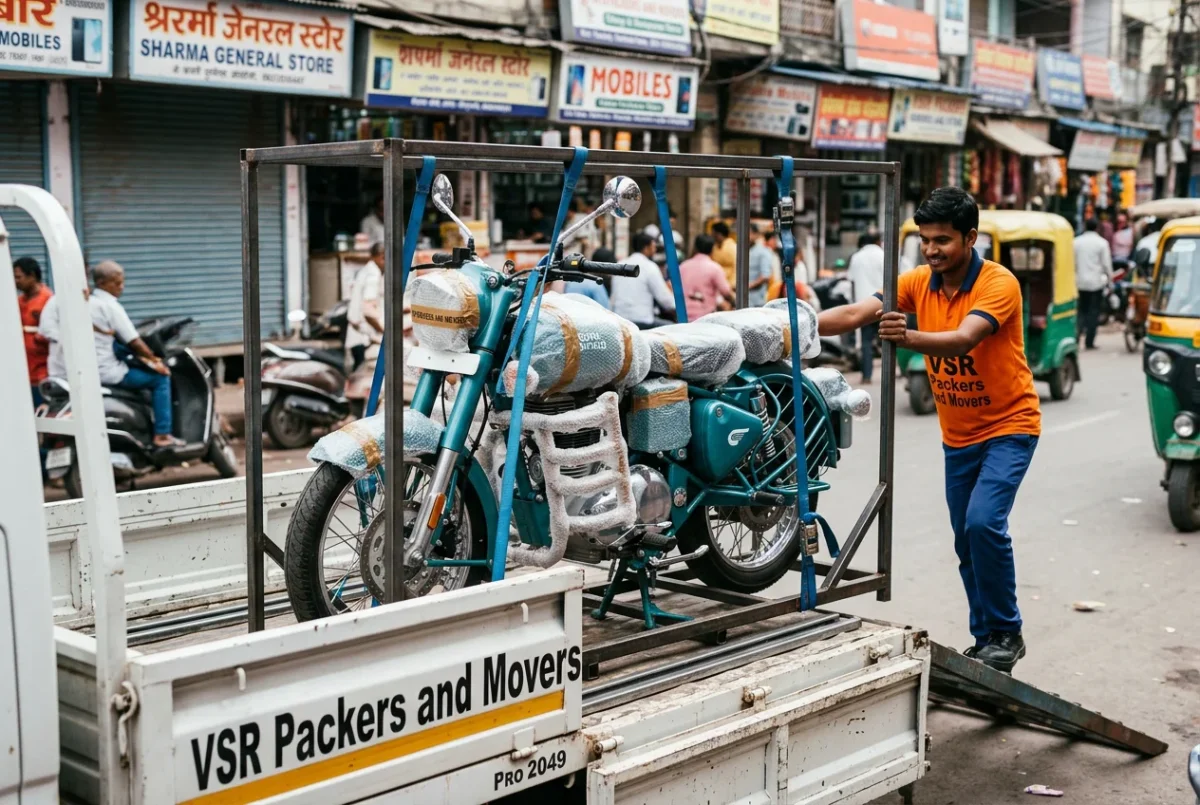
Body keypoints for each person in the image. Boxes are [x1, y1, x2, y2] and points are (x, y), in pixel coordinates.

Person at [816, 187, 1040, 674]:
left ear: (970, 238)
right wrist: (794, 327)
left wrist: (907, 336)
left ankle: (1007, 632)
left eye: (943, 240)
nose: (932, 250)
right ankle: (987, 639)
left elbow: (964, 339)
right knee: (966, 539)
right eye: (925, 240)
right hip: (958, 436)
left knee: (983, 523)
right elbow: (855, 313)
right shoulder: (919, 282)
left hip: (1009, 426)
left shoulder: (998, 283)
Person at [89, 261, 182, 448]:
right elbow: (134, 342)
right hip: (107, 370)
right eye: (116, 283)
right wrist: (155, 362)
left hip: (89, 369)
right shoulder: (110, 306)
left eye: (122, 282)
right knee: (161, 379)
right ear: (101, 283)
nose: (121, 287)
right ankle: (163, 434)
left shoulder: (88, 303)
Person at [609, 233, 676, 328]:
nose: (655, 250)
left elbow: (613, 297)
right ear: (646, 248)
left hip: (619, 320)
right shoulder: (650, 266)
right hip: (642, 321)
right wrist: (678, 307)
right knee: (673, 327)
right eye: (653, 247)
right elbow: (665, 299)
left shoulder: (620, 264)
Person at [847, 232, 885, 383]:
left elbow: (851, 282)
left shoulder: (856, 257)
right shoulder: (883, 255)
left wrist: (853, 304)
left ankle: (867, 376)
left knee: (866, 342)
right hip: (883, 302)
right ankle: (896, 373)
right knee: (891, 338)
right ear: (877, 241)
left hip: (864, 305)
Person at [15, 256, 52, 405]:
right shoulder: (19, 301)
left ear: (32, 276)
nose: (16, 282)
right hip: (24, 372)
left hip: (42, 373)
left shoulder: (48, 300)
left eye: (19, 277)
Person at [1074, 217, 1113, 350]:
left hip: (1079, 282)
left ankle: (1076, 338)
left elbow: (1072, 263)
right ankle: (1089, 342)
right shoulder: (1102, 243)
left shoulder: (1076, 242)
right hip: (1096, 283)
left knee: (1081, 311)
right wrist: (1110, 281)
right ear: (1097, 228)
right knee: (1093, 312)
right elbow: (1106, 265)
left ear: (1085, 227)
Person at [346, 241, 384, 370]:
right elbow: (368, 311)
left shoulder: (367, 270)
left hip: (357, 334)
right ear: (381, 256)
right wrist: (385, 332)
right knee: (362, 375)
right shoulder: (373, 274)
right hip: (362, 336)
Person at [678, 234, 734, 320]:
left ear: (695, 248)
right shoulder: (715, 268)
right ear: (712, 249)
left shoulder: (683, 266)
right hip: (705, 318)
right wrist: (735, 302)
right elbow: (726, 292)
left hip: (682, 316)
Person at [747, 225, 775, 308]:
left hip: (757, 300)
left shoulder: (763, 252)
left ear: (756, 235)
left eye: (749, 233)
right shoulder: (742, 250)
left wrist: (748, 286)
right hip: (743, 300)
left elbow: (765, 276)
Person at [710, 221, 737, 290]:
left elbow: (736, 267)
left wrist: (733, 285)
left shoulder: (733, 247)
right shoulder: (714, 247)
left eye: (713, 233)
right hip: (717, 286)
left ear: (718, 234)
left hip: (730, 286)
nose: (711, 236)